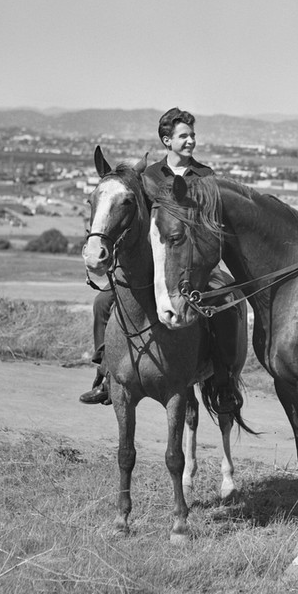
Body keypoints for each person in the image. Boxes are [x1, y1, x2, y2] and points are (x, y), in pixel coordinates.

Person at [80, 108, 243, 410]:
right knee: (102, 303)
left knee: (225, 304)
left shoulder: (206, 177)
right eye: (184, 136)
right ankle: (105, 375)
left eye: (193, 135)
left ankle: (223, 381)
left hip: (195, 264)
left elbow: (212, 223)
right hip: (154, 264)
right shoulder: (149, 177)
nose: (191, 141)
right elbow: (136, 218)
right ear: (167, 140)